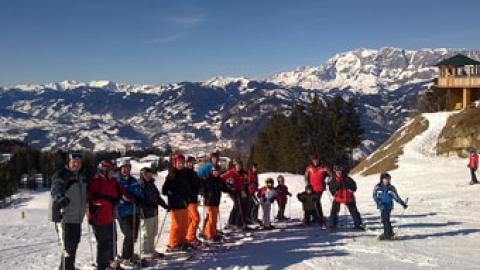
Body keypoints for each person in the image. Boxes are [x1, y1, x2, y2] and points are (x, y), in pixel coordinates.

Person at [88, 160, 132, 270]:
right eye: (111, 171)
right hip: (98, 217)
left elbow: (123, 192)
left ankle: (112, 263)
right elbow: (93, 199)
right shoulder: (95, 181)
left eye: (113, 171)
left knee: (113, 241)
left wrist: (136, 199)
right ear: (104, 170)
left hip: (110, 216)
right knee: (103, 243)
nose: (113, 173)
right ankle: (102, 266)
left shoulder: (113, 181)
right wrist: (109, 200)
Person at [49, 152, 88, 270]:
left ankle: (68, 267)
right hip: (64, 217)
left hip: (77, 218)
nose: (76, 164)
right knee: (68, 248)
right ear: (68, 162)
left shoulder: (81, 177)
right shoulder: (62, 175)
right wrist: (60, 198)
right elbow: (56, 188)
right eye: (74, 161)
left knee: (73, 246)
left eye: (79, 162)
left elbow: (83, 195)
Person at [116, 159, 144, 267]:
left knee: (134, 235)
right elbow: (118, 196)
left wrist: (140, 199)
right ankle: (125, 257)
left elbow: (139, 193)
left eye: (128, 167)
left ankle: (130, 255)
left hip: (134, 211)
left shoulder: (133, 180)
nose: (126, 170)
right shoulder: (117, 181)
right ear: (120, 168)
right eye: (124, 167)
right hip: (122, 212)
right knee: (129, 234)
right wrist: (128, 199)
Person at [162, 153, 192, 252]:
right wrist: (175, 195)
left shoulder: (184, 173)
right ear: (175, 163)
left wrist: (187, 197)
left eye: (182, 162)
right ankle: (173, 244)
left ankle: (181, 241)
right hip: (175, 204)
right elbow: (164, 190)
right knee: (177, 225)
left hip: (184, 203)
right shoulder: (172, 173)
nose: (181, 164)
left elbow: (187, 187)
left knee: (185, 224)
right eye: (179, 162)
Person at [199, 165, 236, 241]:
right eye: (214, 171)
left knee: (214, 219)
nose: (216, 173)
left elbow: (224, 188)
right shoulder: (208, 179)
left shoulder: (219, 180)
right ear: (212, 171)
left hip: (216, 202)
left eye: (217, 172)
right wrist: (203, 191)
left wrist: (232, 191)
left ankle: (212, 232)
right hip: (209, 202)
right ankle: (209, 234)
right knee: (211, 219)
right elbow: (202, 187)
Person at [139, 167, 169, 258]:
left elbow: (158, 197)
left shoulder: (151, 184)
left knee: (153, 232)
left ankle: (151, 250)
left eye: (149, 174)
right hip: (146, 213)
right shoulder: (141, 185)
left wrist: (165, 206)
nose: (148, 176)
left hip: (154, 212)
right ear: (142, 175)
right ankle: (144, 251)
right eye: (146, 174)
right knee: (147, 233)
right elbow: (140, 200)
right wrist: (147, 205)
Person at [373, 172, 408, 240]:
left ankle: (387, 234)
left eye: (389, 179)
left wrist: (402, 203)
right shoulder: (378, 187)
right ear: (382, 179)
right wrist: (378, 201)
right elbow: (374, 196)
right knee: (384, 219)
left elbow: (396, 197)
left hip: (388, 206)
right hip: (381, 206)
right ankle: (389, 233)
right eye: (386, 179)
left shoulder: (391, 188)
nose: (387, 181)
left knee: (385, 219)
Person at [327, 165, 364, 230]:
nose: (339, 172)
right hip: (338, 197)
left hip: (348, 197)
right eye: (337, 171)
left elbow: (354, 187)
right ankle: (332, 225)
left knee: (354, 211)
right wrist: (334, 192)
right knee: (334, 211)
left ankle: (358, 224)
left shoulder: (348, 179)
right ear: (335, 172)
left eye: (340, 171)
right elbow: (331, 188)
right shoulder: (333, 180)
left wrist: (351, 189)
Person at [222, 160, 249, 229]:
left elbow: (246, 181)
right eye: (237, 166)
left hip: (240, 191)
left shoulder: (243, 173)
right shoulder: (231, 172)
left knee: (241, 206)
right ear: (235, 166)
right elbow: (222, 178)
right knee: (237, 205)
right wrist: (228, 186)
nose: (238, 167)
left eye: (240, 166)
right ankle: (232, 222)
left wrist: (244, 189)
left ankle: (237, 222)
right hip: (233, 191)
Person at [304, 155, 330, 227]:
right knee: (310, 202)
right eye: (313, 160)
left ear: (318, 160)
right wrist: (307, 185)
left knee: (316, 202)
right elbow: (306, 177)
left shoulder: (324, 167)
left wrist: (327, 180)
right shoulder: (309, 167)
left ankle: (321, 219)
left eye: (316, 160)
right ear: (312, 160)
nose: (315, 161)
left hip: (320, 188)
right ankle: (314, 217)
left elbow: (331, 175)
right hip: (311, 188)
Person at [185, 156, 202, 246]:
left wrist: (201, 191)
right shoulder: (184, 173)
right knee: (196, 218)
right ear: (186, 163)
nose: (191, 164)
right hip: (188, 200)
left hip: (194, 199)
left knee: (191, 219)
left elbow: (198, 185)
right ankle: (190, 237)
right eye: (189, 162)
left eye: (192, 162)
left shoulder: (195, 174)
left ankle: (191, 236)